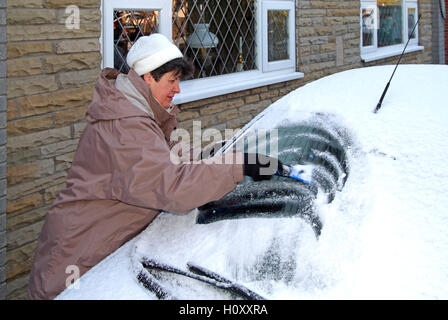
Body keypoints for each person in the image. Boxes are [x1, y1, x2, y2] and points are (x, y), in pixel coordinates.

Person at [28, 33, 281, 299]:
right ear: (148, 77)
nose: (177, 89)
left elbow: (165, 152)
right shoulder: (124, 125)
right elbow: (171, 186)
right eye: (172, 80)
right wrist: (235, 166)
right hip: (75, 261)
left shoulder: (133, 109)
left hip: (100, 252)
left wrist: (211, 155)